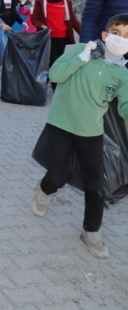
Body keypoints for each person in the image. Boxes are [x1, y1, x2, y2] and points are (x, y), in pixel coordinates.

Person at [31, 14, 128, 259]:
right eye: (117, 33)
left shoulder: (123, 75)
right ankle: (45, 188)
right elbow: (55, 74)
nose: (121, 39)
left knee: (96, 185)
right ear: (105, 35)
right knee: (58, 175)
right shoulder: (78, 50)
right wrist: (82, 58)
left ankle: (91, 231)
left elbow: (125, 106)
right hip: (60, 123)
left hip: (91, 131)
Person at [30, 0, 81, 90]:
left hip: (62, 37)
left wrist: (83, 33)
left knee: (57, 60)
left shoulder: (66, 1)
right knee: (54, 62)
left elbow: (73, 19)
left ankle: (42, 84)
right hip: (48, 37)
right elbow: (34, 19)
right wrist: (43, 26)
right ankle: (55, 88)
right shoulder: (42, 0)